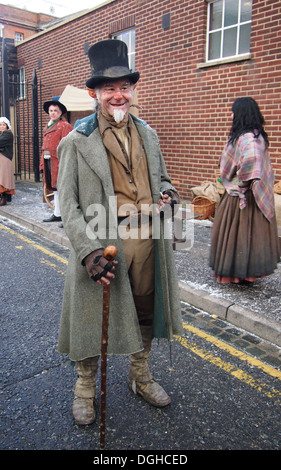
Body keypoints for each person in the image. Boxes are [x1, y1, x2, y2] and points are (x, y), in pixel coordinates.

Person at [57, 39, 183, 426]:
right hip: (102, 250)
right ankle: (84, 389)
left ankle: (140, 377)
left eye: (124, 87)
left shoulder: (149, 134)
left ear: (132, 90)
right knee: (91, 323)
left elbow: (163, 180)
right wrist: (87, 251)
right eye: (109, 88)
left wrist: (168, 194)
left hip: (146, 243)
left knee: (144, 315)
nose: (118, 95)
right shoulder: (76, 142)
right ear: (95, 92)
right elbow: (68, 203)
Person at [209, 97, 280, 284]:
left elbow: (252, 160)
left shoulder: (246, 138)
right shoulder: (257, 135)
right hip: (250, 194)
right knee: (247, 235)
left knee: (236, 234)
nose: (231, 115)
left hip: (242, 194)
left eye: (233, 111)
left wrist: (242, 181)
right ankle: (245, 274)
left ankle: (234, 274)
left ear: (241, 113)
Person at [40, 100, 72, 222]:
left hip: (59, 162)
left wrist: (65, 163)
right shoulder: (48, 126)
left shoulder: (64, 125)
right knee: (55, 188)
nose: (53, 113)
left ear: (60, 113)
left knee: (63, 188)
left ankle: (67, 217)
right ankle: (57, 214)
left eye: (55, 111)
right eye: (51, 111)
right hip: (49, 161)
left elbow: (68, 146)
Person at [0, 117, 15, 206]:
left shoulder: (8, 134)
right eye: (0, 125)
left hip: (5, 158)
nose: (1, 126)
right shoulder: (1, 134)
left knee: (4, 179)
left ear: (7, 126)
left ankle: (4, 197)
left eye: (3, 125)